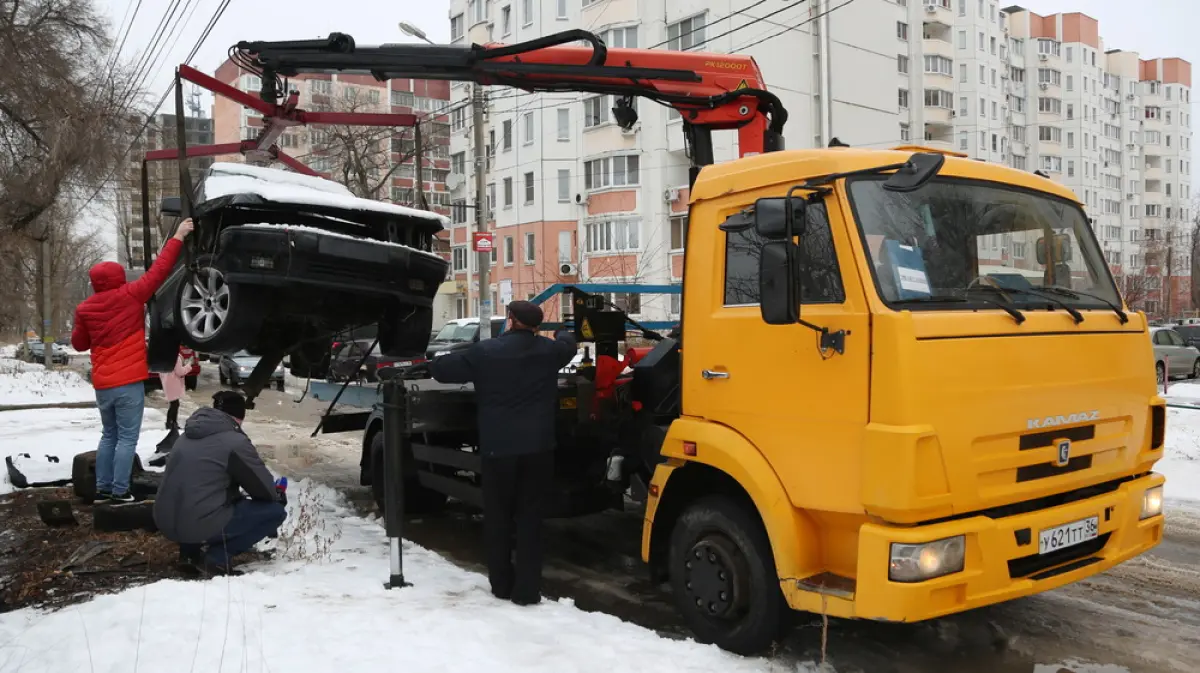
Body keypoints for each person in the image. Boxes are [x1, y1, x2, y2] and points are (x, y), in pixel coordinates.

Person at [429, 300, 576, 605]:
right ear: (535, 325)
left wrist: (431, 361)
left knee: (498, 517)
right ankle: (527, 591)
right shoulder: (550, 352)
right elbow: (568, 345)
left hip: (499, 450)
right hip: (538, 449)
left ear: (511, 320)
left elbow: (443, 370)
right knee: (530, 518)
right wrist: (563, 331)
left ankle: (501, 585)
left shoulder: (485, 352)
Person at [72, 218, 194, 504]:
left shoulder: (84, 309)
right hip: (127, 383)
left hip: (103, 385)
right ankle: (118, 491)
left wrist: (91, 328)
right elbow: (160, 270)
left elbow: (79, 344)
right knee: (127, 439)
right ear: (119, 279)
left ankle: (102, 489)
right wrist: (178, 235)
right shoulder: (130, 295)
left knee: (109, 436)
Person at [153, 391, 287, 576]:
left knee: (197, 498)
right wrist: (277, 494)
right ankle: (216, 559)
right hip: (197, 523)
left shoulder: (186, 435)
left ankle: (189, 554)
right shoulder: (234, 441)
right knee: (274, 512)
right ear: (239, 417)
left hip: (165, 520)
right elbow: (263, 490)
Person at [162, 345, 197, 431]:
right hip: (174, 383)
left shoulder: (165, 357)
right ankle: (171, 423)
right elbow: (180, 372)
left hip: (168, 382)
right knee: (175, 404)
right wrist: (189, 365)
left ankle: (171, 423)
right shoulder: (175, 358)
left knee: (174, 404)